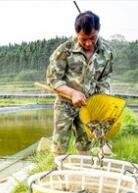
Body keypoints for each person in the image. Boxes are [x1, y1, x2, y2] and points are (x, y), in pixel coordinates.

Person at [46, 10, 114, 156]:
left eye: (93, 38)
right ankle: (59, 174)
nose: (89, 43)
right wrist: (73, 93)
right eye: (84, 39)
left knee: (85, 144)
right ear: (77, 33)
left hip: (88, 106)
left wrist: (103, 101)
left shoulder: (106, 53)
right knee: (59, 145)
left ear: (98, 30)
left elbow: (105, 79)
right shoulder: (65, 51)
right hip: (65, 104)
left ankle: (84, 171)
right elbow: (53, 79)